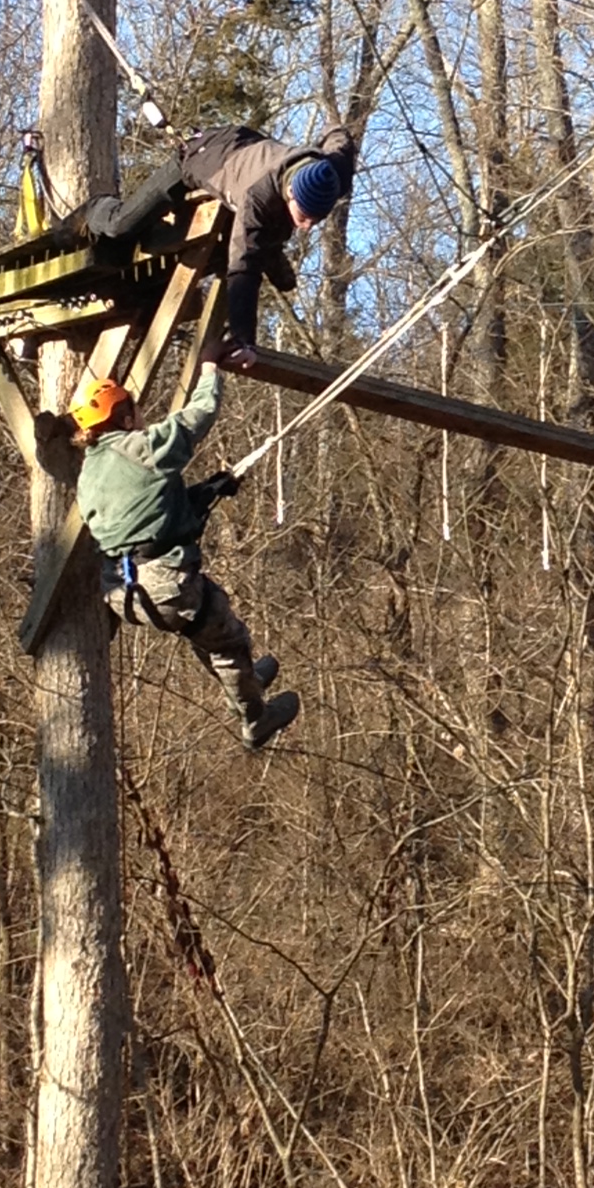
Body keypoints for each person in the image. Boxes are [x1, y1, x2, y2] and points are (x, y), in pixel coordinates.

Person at [70, 354, 300, 750]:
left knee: (204, 623)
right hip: (163, 587)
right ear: (124, 418)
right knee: (225, 639)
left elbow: (146, 520)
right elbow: (199, 414)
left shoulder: (90, 470)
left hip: (123, 591)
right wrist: (210, 368)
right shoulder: (140, 448)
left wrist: (207, 491)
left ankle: (248, 679)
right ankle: (255, 719)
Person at [76, 122, 357, 369]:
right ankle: (92, 209)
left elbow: (340, 141)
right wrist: (243, 339)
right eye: (305, 216)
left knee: (278, 238)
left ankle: (272, 249)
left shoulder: (334, 175)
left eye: (317, 219)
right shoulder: (257, 195)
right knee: (121, 226)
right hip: (201, 155)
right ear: (291, 192)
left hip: (246, 145)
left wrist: (331, 127)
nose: (308, 225)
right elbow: (242, 267)